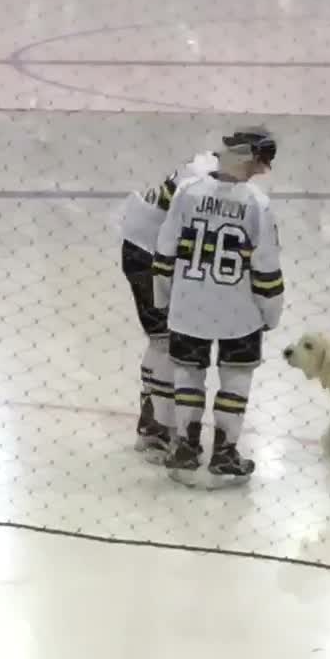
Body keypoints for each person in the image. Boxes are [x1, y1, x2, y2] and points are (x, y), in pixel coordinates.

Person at [152, 126, 283, 483]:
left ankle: (186, 447)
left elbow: (165, 249)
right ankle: (225, 452)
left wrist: (164, 296)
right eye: (262, 160)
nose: (265, 167)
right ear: (251, 158)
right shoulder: (257, 203)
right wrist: (271, 312)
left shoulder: (188, 192)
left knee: (187, 374)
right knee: (236, 379)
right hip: (238, 312)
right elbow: (266, 266)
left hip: (188, 306)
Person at [116, 148, 220, 457]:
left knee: (161, 340)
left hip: (140, 246)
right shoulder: (210, 182)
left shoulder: (206, 168)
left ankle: (153, 428)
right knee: (166, 342)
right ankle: (162, 432)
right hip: (149, 252)